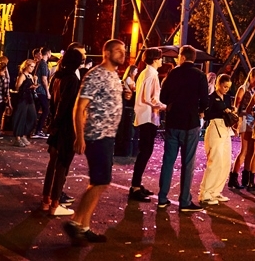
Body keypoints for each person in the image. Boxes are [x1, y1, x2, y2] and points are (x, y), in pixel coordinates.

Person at [63, 39, 126, 246]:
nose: (122, 53)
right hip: (97, 135)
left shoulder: (114, 75)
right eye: (118, 50)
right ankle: (75, 222)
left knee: (98, 181)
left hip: (108, 135)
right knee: (101, 181)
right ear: (106, 53)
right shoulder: (96, 75)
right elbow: (79, 106)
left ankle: (84, 226)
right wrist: (79, 136)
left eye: (124, 50)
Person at [157, 45, 209, 212]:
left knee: (168, 161)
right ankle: (185, 200)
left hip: (173, 122)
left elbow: (163, 97)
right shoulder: (200, 75)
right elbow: (205, 101)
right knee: (188, 163)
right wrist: (198, 109)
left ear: (182, 57)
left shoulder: (173, 73)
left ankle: (162, 197)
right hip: (190, 123)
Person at [41, 49, 84, 216]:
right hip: (66, 126)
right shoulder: (72, 79)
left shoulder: (57, 77)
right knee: (62, 164)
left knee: (53, 163)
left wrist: (52, 123)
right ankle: (55, 202)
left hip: (57, 125)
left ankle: (46, 200)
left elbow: (54, 104)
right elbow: (65, 105)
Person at [129, 48, 166, 202]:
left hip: (146, 115)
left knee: (145, 151)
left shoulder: (146, 73)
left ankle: (137, 184)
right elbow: (148, 98)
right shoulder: (151, 74)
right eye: (160, 57)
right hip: (147, 116)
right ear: (155, 59)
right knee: (145, 151)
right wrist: (164, 106)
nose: (162, 60)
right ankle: (135, 186)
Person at [199, 74, 234, 205]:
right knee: (215, 161)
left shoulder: (227, 97)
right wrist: (223, 112)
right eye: (224, 86)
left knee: (225, 162)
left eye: (228, 87)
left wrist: (231, 112)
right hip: (215, 127)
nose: (226, 89)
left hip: (226, 129)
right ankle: (206, 193)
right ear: (218, 84)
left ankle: (216, 191)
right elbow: (206, 115)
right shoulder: (211, 97)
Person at [229, 67, 255, 190]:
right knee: (244, 150)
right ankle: (233, 177)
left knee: (251, 152)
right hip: (244, 120)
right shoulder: (243, 89)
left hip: (253, 121)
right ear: (251, 77)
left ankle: (246, 178)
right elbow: (236, 107)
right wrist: (236, 122)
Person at [13, 59, 39, 147]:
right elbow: (18, 88)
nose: (32, 68)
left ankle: (24, 134)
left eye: (33, 67)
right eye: (31, 66)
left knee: (32, 117)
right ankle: (18, 138)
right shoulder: (22, 76)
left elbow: (33, 88)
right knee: (21, 117)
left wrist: (35, 83)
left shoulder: (30, 76)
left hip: (30, 98)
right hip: (23, 99)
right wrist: (28, 87)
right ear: (26, 66)